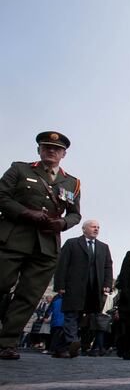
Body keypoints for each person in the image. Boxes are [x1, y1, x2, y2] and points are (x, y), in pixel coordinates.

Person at [0, 131, 81, 360]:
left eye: (56, 149)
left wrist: (63, 222)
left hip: (46, 245)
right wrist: (26, 213)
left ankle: (8, 342)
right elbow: (2, 196)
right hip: (13, 238)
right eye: (46, 147)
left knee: (28, 296)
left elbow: (75, 215)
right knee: (2, 283)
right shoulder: (20, 169)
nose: (51, 151)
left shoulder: (72, 183)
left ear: (63, 154)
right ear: (39, 150)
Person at [51, 219, 113, 358]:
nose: (96, 229)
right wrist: (60, 285)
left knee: (80, 317)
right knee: (71, 315)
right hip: (73, 287)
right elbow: (62, 265)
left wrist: (107, 284)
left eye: (98, 227)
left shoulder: (103, 247)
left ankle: (60, 347)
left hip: (93, 289)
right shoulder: (72, 243)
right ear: (84, 229)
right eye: (93, 227)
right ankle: (72, 341)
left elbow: (108, 267)